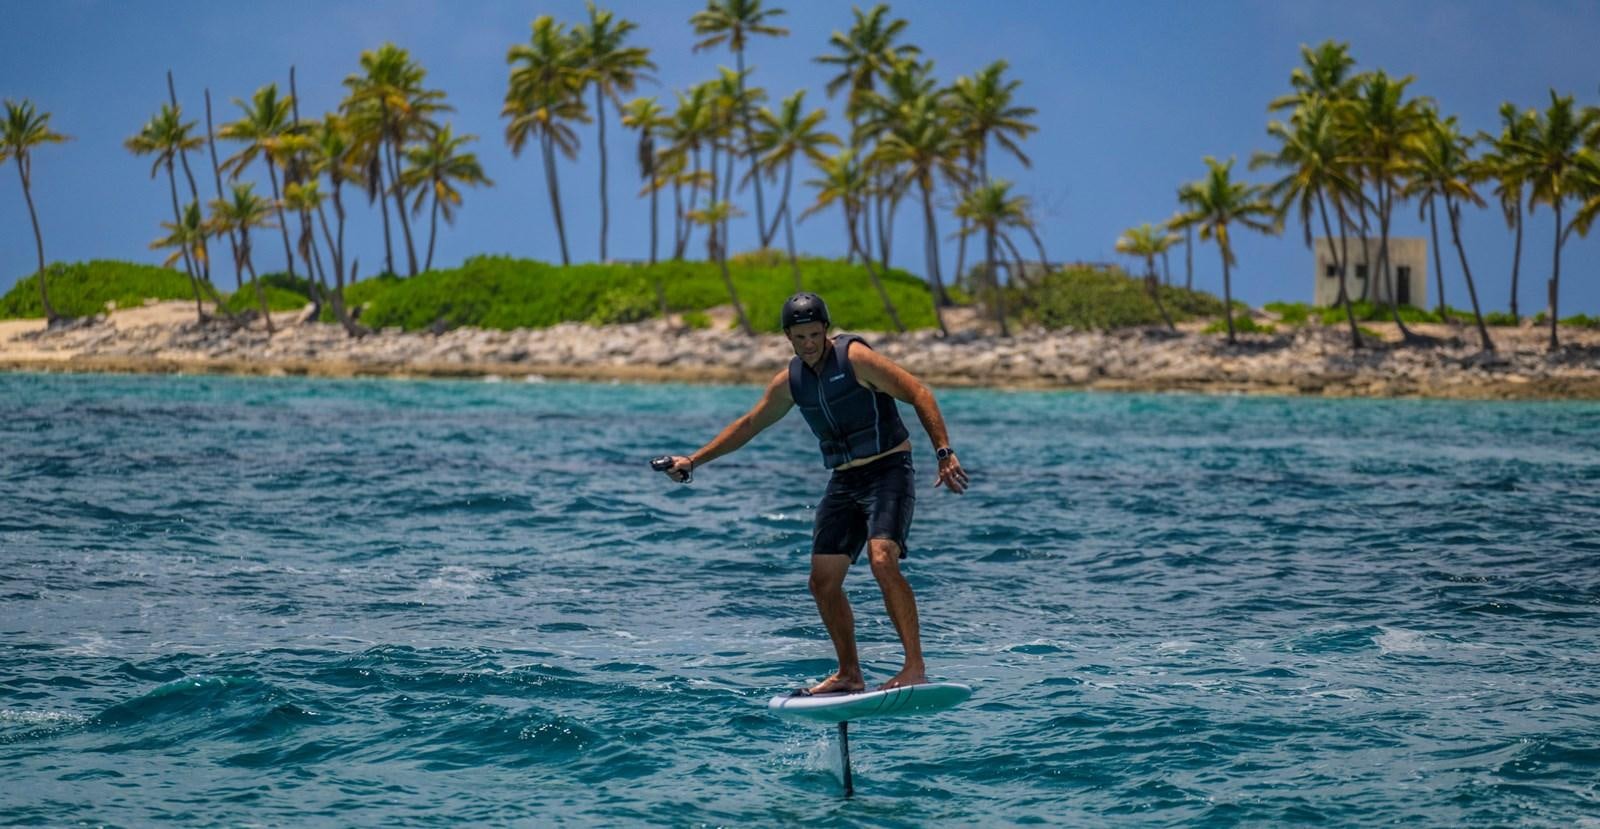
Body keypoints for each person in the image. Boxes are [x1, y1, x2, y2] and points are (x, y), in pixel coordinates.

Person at [655, 292, 968, 693]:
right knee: (822, 581)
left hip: (888, 470)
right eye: (799, 337)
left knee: (882, 560)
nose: (808, 344)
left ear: (826, 331)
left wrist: (943, 452)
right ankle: (850, 674)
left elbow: (919, 392)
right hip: (844, 480)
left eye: (814, 335)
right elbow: (750, 424)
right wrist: (693, 461)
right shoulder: (791, 382)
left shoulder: (856, 359)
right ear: (788, 336)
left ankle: (914, 667)